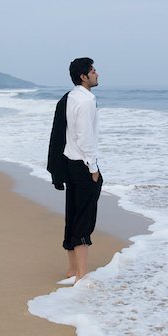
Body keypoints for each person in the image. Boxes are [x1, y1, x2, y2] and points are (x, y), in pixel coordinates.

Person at [47, 57, 102, 284]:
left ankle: (72, 270)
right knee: (84, 219)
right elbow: (84, 136)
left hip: (69, 162)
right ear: (84, 76)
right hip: (82, 165)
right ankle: (81, 275)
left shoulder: (69, 97)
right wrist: (93, 168)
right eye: (93, 70)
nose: (97, 74)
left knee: (73, 215)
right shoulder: (87, 100)